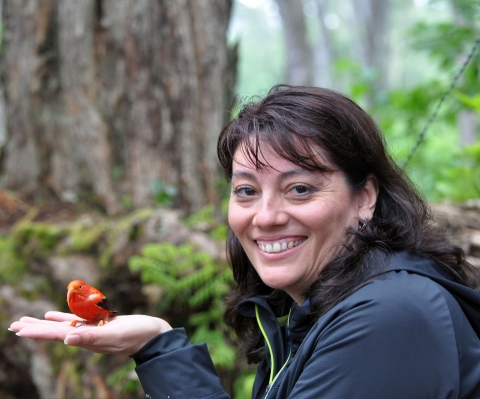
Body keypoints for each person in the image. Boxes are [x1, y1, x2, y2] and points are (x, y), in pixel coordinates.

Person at [10, 85, 480, 398]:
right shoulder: (311, 312)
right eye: (247, 191)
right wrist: (156, 347)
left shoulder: (390, 317)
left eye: (300, 188)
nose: (266, 217)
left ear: (366, 197)